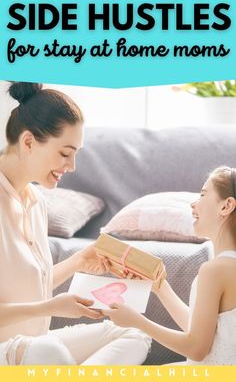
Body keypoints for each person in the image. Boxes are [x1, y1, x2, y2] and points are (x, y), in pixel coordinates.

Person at [0, 81, 152, 366]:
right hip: (10, 351)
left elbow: (30, 282)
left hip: (32, 347)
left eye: (76, 153)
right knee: (51, 354)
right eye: (65, 153)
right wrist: (47, 307)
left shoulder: (35, 201)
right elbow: (38, 301)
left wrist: (80, 260)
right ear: (29, 142)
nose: (72, 167)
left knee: (133, 333)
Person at [103, 166, 236, 364]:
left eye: (202, 195)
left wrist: (136, 321)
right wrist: (161, 288)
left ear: (226, 206)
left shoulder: (214, 271)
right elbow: (201, 332)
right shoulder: (224, 267)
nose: (193, 204)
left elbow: (196, 349)